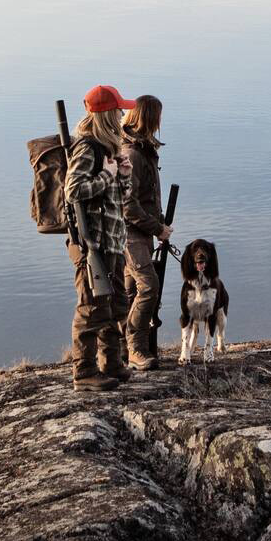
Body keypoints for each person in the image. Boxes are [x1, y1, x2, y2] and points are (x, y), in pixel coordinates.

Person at [64, 85, 133, 390]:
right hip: (93, 244)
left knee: (114, 304)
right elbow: (73, 190)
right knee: (91, 307)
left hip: (112, 242)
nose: (122, 117)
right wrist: (107, 175)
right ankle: (84, 373)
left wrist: (123, 176)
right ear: (107, 115)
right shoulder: (88, 148)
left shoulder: (106, 150)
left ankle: (112, 363)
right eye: (118, 112)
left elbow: (117, 200)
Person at [119, 94, 174, 371]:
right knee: (149, 286)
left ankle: (122, 349)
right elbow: (127, 206)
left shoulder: (143, 150)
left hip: (141, 232)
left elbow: (146, 196)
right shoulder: (132, 153)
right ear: (150, 118)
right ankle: (136, 348)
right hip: (130, 234)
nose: (161, 121)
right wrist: (157, 228)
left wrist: (159, 224)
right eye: (159, 116)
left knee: (130, 291)